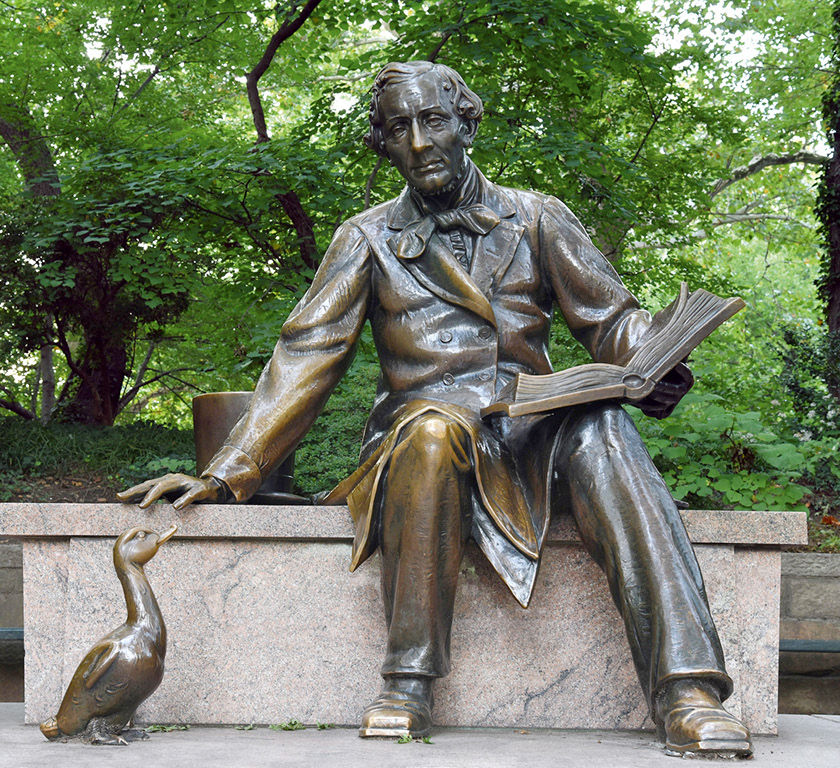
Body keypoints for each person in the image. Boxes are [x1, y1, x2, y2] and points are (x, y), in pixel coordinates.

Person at [119, 61, 752, 757]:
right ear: (383, 144)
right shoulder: (364, 238)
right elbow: (307, 355)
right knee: (427, 434)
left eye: (434, 121)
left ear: (467, 125)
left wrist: (653, 358)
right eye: (399, 128)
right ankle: (408, 682)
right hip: (428, 430)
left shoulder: (538, 216)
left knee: (604, 426)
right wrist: (227, 471)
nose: (419, 141)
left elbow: (611, 320)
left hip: (532, 423)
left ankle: (688, 691)